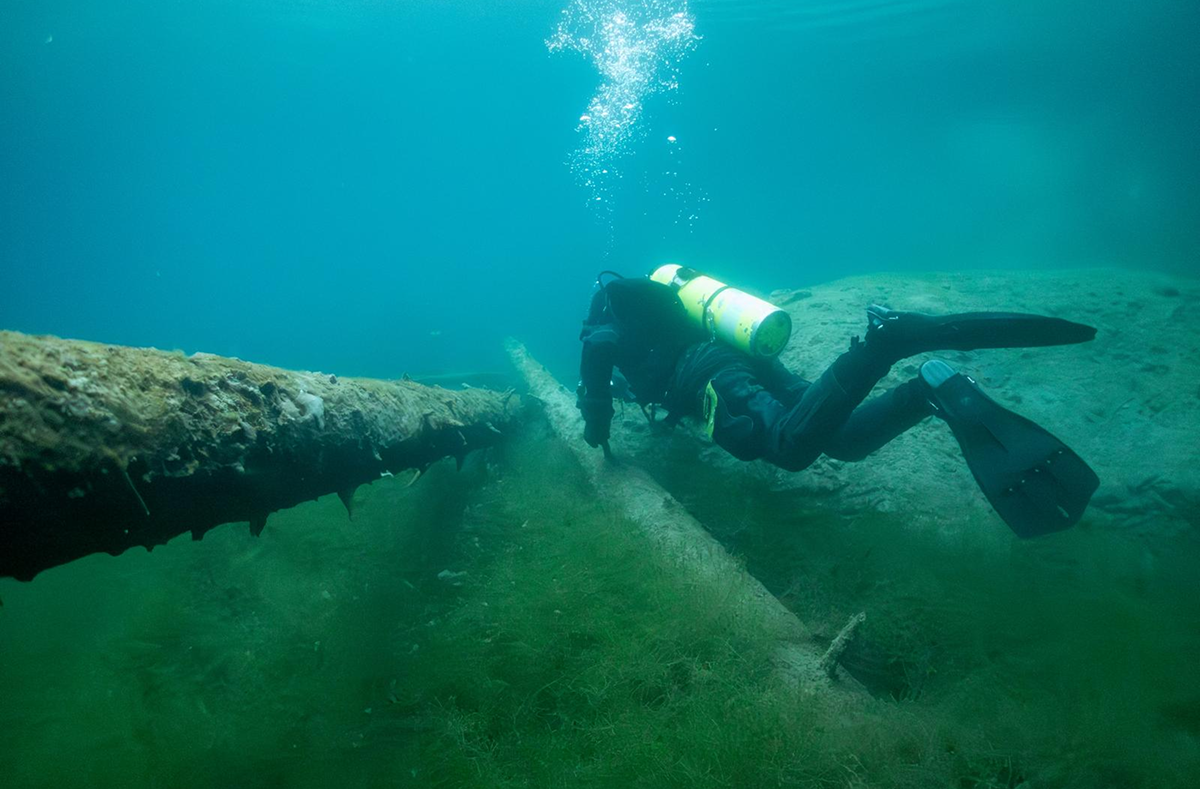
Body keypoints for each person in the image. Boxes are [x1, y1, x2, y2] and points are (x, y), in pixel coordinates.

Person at [575, 268, 1100, 538]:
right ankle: (925, 393)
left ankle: (883, 344)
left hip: (708, 374)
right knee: (842, 439)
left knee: (788, 446)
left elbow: (599, 349)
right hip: (739, 356)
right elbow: (637, 376)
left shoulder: (606, 320)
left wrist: (595, 420)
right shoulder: (646, 306)